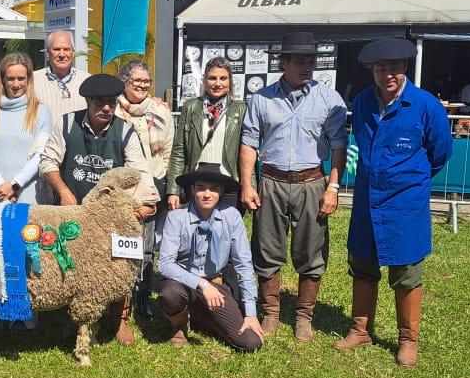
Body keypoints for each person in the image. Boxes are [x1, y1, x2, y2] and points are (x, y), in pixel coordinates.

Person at [336, 38, 453, 367]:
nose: (388, 74)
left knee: (406, 269)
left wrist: (410, 177)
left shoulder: (425, 105)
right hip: (367, 198)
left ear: (404, 69)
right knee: (362, 263)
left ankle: (407, 339)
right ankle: (360, 329)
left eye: (394, 68)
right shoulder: (361, 103)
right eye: (380, 68)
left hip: (405, 202)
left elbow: (440, 151)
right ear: (373, 71)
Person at [240, 32, 348, 341]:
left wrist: (333, 187)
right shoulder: (261, 99)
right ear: (283, 62)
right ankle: (271, 312)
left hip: (312, 181)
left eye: (311, 60)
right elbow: (249, 142)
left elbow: (339, 145)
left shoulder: (329, 99)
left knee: (312, 251)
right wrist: (247, 185)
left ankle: (304, 317)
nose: (306, 66)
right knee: (266, 248)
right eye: (299, 60)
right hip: (271, 181)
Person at [39, 73, 150, 345]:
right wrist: (63, 192)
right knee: (66, 262)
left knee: (121, 262)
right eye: (100, 103)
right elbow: (47, 162)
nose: (107, 108)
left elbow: (140, 173)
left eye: (112, 102)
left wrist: (137, 205)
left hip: (110, 218)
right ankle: (68, 318)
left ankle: (119, 318)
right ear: (88, 101)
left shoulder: (125, 132)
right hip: (72, 211)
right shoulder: (66, 123)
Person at [157, 163, 263, 352]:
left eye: (213, 189)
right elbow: (165, 264)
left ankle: (202, 317)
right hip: (184, 284)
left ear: (221, 191)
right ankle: (180, 324)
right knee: (169, 293)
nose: (207, 194)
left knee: (250, 342)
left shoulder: (232, 216)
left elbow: (244, 264)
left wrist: (251, 313)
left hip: (216, 284)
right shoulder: (177, 217)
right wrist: (202, 284)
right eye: (201, 188)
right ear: (192, 189)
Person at [115, 59, 173, 316]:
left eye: (146, 81)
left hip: (153, 186)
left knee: (147, 245)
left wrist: (166, 183)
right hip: (125, 189)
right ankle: (119, 297)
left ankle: (142, 297)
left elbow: (169, 150)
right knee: (122, 243)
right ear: (124, 82)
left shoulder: (161, 111)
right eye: (135, 80)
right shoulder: (113, 109)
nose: (141, 85)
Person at [166, 57, 247, 209]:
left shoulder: (240, 109)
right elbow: (179, 151)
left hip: (228, 183)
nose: (217, 83)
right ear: (204, 80)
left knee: (226, 230)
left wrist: (249, 187)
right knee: (194, 229)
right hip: (197, 182)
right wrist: (173, 190)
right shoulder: (191, 107)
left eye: (223, 78)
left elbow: (246, 153)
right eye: (212, 78)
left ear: (230, 81)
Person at [0, 52, 52, 205]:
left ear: (28, 79)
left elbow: (41, 155)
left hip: (29, 193)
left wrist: (15, 184)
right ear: (3, 79)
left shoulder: (40, 111)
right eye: (10, 79)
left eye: (21, 78)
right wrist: (1, 188)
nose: (16, 85)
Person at [33, 30, 91, 120]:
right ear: (48, 53)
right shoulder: (33, 80)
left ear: (73, 52)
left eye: (66, 49)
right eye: (56, 49)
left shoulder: (87, 80)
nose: (62, 54)